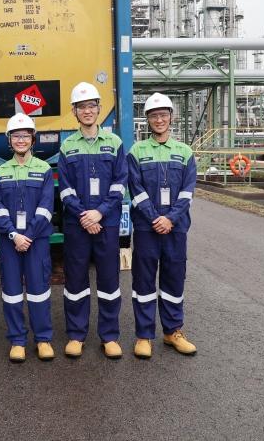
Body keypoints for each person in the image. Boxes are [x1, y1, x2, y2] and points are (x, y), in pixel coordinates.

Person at [57, 82, 127, 360]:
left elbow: (120, 184)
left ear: (99, 109)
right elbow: (65, 189)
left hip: (106, 223)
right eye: (81, 107)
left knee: (109, 280)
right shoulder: (67, 146)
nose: (87, 111)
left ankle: (109, 336)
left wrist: (100, 212)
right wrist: (84, 215)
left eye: (91, 106)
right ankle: (76, 335)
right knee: (75, 280)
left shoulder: (115, 143)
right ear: (74, 111)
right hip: (77, 224)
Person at [126, 92, 198, 360]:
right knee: (143, 280)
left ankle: (173, 331)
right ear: (147, 119)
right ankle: (144, 335)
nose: (159, 120)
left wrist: (171, 218)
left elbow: (188, 192)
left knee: (174, 278)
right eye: (154, 116)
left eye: (163, 115)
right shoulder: (137, 152)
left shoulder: (185, 152)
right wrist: (155, 217)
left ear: (171, 117)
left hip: (175, 228)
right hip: (147, 228)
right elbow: (135, 190)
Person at [0, 113, 56, 363]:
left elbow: (46, 208)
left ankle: (43, 339)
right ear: (9, 140)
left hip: (36, 240)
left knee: (39, 290)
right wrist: (13, 235)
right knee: (12, 292)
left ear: (33, 139)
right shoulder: (1, 171)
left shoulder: (44, 169)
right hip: (10, 241)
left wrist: (27, 235)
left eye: (25, 135)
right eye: (16, 136)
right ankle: (17, 340)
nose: (21, 140)